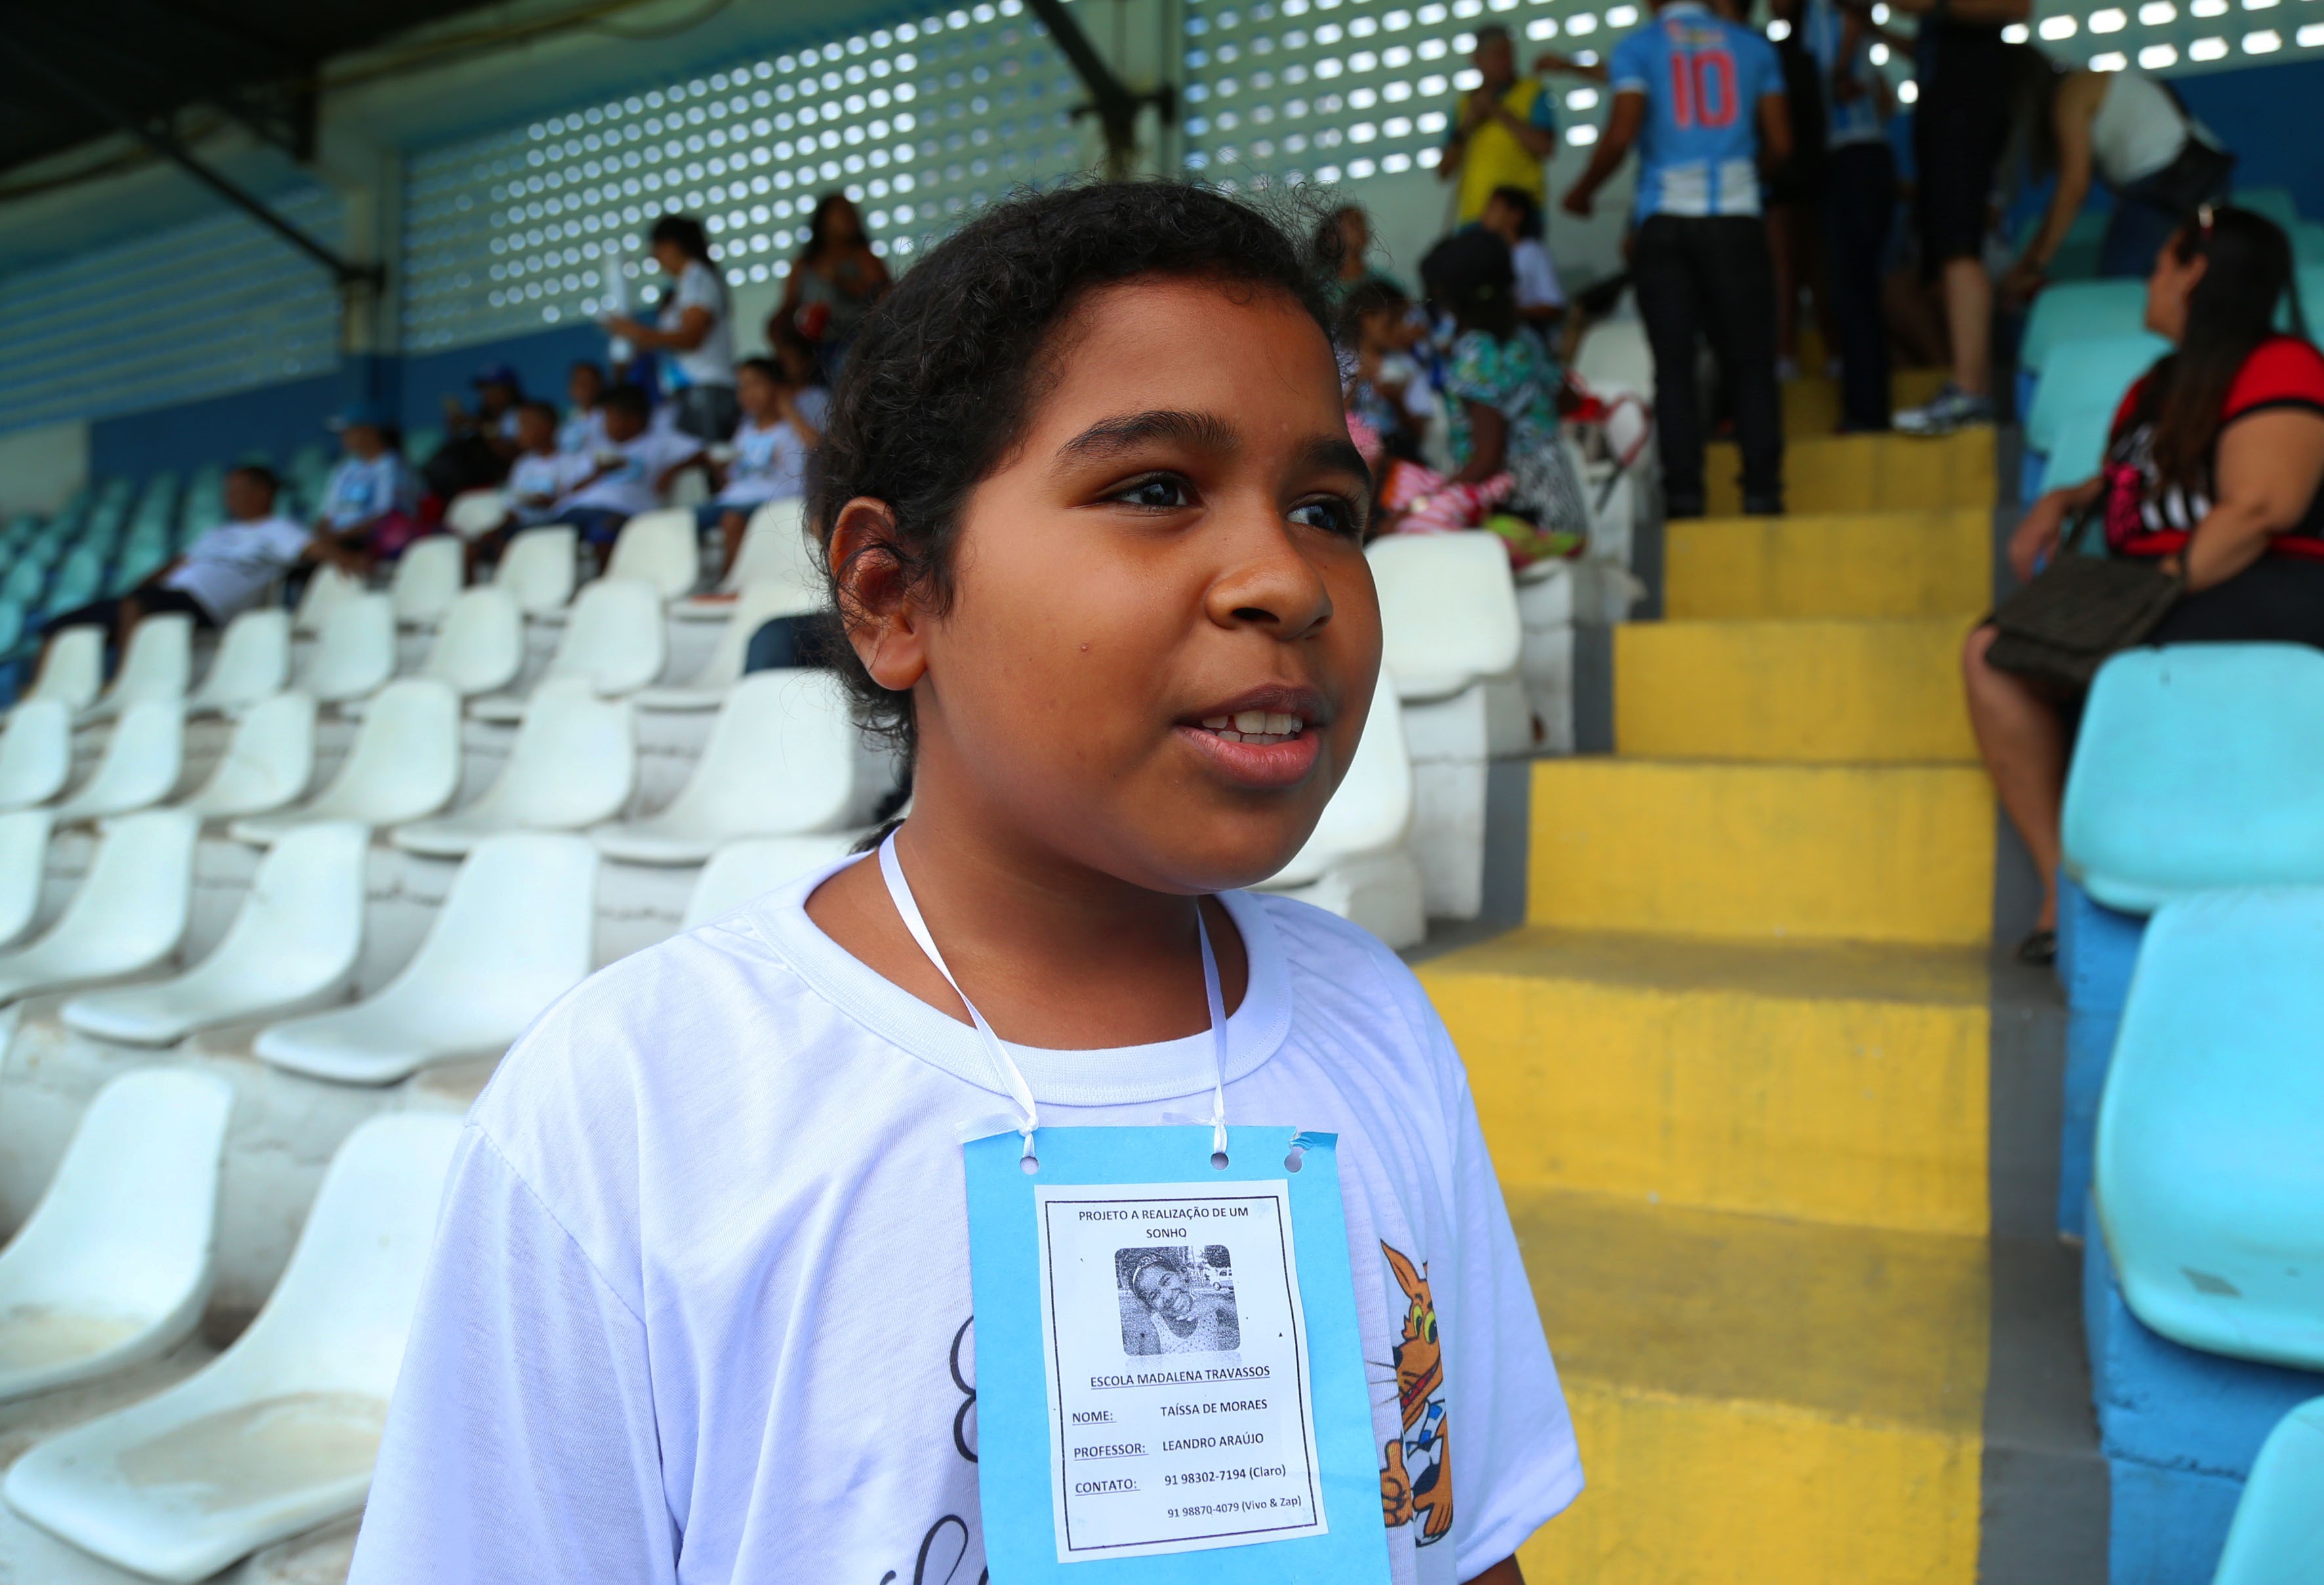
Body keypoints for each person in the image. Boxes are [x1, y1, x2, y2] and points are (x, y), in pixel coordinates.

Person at [347, 180, 1580, 1585]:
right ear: (892, 594)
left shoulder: (1377, 1021)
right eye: (1156, 489)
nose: (1283, 577)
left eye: (1324, 505)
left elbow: (1461, 1534)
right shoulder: (635, 1104)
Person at [1964, 208, 2324, 961]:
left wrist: (2156, 590)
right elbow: (2136, 482)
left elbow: (2263, 506)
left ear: (2196, 270)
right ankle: (2061, 889)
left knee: (2098, 662)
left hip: (2262, 586)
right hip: (2160, 586)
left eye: (2163, 263)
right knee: (1992, 651)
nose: (2150, 280)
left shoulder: (2281, 362)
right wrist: (2064, 499)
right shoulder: (2155, 384)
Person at [1564, 0, 1791, 516]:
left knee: (1674, 367)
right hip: (1737, 219)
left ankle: (1684, 496)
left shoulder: (1638, 48)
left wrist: (1581, 192)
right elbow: (1780, 141)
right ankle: (1763, 491)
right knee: (1751, 364)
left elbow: (1622, 133)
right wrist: (1745, 178)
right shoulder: (1752, 47)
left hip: (1665, 224)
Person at [1886, 0, 2035, 435]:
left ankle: (1970, 391)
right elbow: (1924, 42)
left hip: (1962, 117)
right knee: (1938, 260)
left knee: (1958, 248)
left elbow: (2018, 7)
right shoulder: (1941, 38)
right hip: (1941, 119)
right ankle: (1966, 386)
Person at [1999, 52, 2236, 302]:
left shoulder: (2071, 92)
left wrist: (2031, 266)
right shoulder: (2093, 83)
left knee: (2119, 294)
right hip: (2203, 175)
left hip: (2163, 183)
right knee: (2179, 287)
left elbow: (2073, 188)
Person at [41, 465, 325, 660]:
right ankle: (40, 696)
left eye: (237, 491)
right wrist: (140, 587)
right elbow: (178, 564)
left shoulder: (281, 528)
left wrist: (348, 558)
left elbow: (316, 551)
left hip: (207, 607)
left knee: (137, 605)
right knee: (57, 627)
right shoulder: (218, 532)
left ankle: (127, 681)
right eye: (228, 492)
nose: (230, 499)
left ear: (262, 493)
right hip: (171, 598)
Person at [1801, 0, 1899, 430]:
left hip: (1854, 157)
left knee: (1853, 290)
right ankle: (1867, 405)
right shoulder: (1809, 19)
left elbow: (1857, 13)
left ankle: (1866, 410)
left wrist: (1840, 72)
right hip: (1851, 156)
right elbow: (1888, 99)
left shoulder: (1828, 14)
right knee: (1853, 290)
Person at [602, 214, 739, 443]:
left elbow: (692, 337)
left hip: (708, 388)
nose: (655, 258)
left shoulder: (698, 278)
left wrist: (635, 331)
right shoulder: (684, 285)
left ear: (673, 246)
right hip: (689, 388)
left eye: (657, 249)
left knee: (716, 461)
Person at [693, 355, 828, 578]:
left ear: (779, 387)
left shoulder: (792, 428)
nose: (747, 393)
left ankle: (729, 583)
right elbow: (737, 481)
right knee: (684, 522)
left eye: (755, 384)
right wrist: (719, 469)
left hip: (776, 500)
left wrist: (788, 409)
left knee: (731, 520)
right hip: (734, 499)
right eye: (742, 387)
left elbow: (820, 451)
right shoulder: (745, 430)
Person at [552, 384, 703, 549]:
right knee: (540, 535)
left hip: (624, 511)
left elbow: (701, 453)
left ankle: (611, 576)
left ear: (633, 418)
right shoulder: (598, 448)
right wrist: (598, 473)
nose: (605, 424)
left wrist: (671, 472)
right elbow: (572, 490)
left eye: (611, 417)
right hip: (578, 509)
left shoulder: (661, 442)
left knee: (604, 533)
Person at [1439, 24, 1560, 226]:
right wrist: (1467, 125)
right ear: (1477, 60)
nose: (1507, 62)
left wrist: (1497, 111)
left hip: (1520, 217)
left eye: (1510, 54)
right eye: (1498, 55)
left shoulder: (1532, 92)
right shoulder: (1464, 105)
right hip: (1474, 218)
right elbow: (1444, 171)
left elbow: (1545, 147)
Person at [774, 193, 891, 383]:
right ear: (823, 220)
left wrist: (840, 279)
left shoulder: (864, 257)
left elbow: (884, 295)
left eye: (851, 213)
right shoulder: (804, 264)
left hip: (855, 337)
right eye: (840, 212)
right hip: (810, 342)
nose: (848, 218)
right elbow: (788, 307)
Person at [315, 405, 424, 567]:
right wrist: (323, 537)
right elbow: (328, 516)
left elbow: (387, 516)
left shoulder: (393, 466)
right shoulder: (345, 470)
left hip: (374, 544)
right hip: (342, 542)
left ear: (370, 431)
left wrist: (341, 536)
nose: (343, 437)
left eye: (349, 430)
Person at [1477, 186, 1567, 342]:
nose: (1484, 215)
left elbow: (1554, 306)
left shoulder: (1532, 252)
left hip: (1532, 341)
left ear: (1515, 215)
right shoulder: (1489, 257)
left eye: (1493, 208)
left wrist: (1507, 312)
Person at [1119, 1250, 1242, 1355]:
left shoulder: (1208, 1307)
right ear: (1150, 1306)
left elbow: (1249, 1324)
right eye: (1154, 1295)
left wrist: (1219, 1303)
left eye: (1166, 1281)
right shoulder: (1154, 1332)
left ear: (1181, 1274)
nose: (1167, 1296)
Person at [1316, 204, 1408, 306]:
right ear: (1332, 237)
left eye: (1362, 224)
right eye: (1353, 224)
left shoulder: (1381, 282)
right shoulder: (1318, 285)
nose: (1361, 229)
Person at [558, 361, 609, 456]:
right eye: (579, 382)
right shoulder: (566, 420)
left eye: (589, 382)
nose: (583, 387)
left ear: (601, 386)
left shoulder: (609, 417)